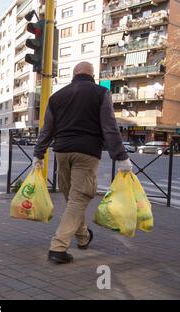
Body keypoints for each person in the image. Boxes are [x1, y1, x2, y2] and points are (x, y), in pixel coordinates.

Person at [33, 62, 132, 264]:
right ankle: (58, 247)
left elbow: (47, 129)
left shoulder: (56, 97)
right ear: (92, 75)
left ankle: (83, 237)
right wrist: (121, 156)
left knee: (73, 200)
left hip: (61, 153)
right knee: (78, 199)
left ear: (74, 74)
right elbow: (109, 127)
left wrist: (38, 154)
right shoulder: (100, 93)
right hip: (87, 153)